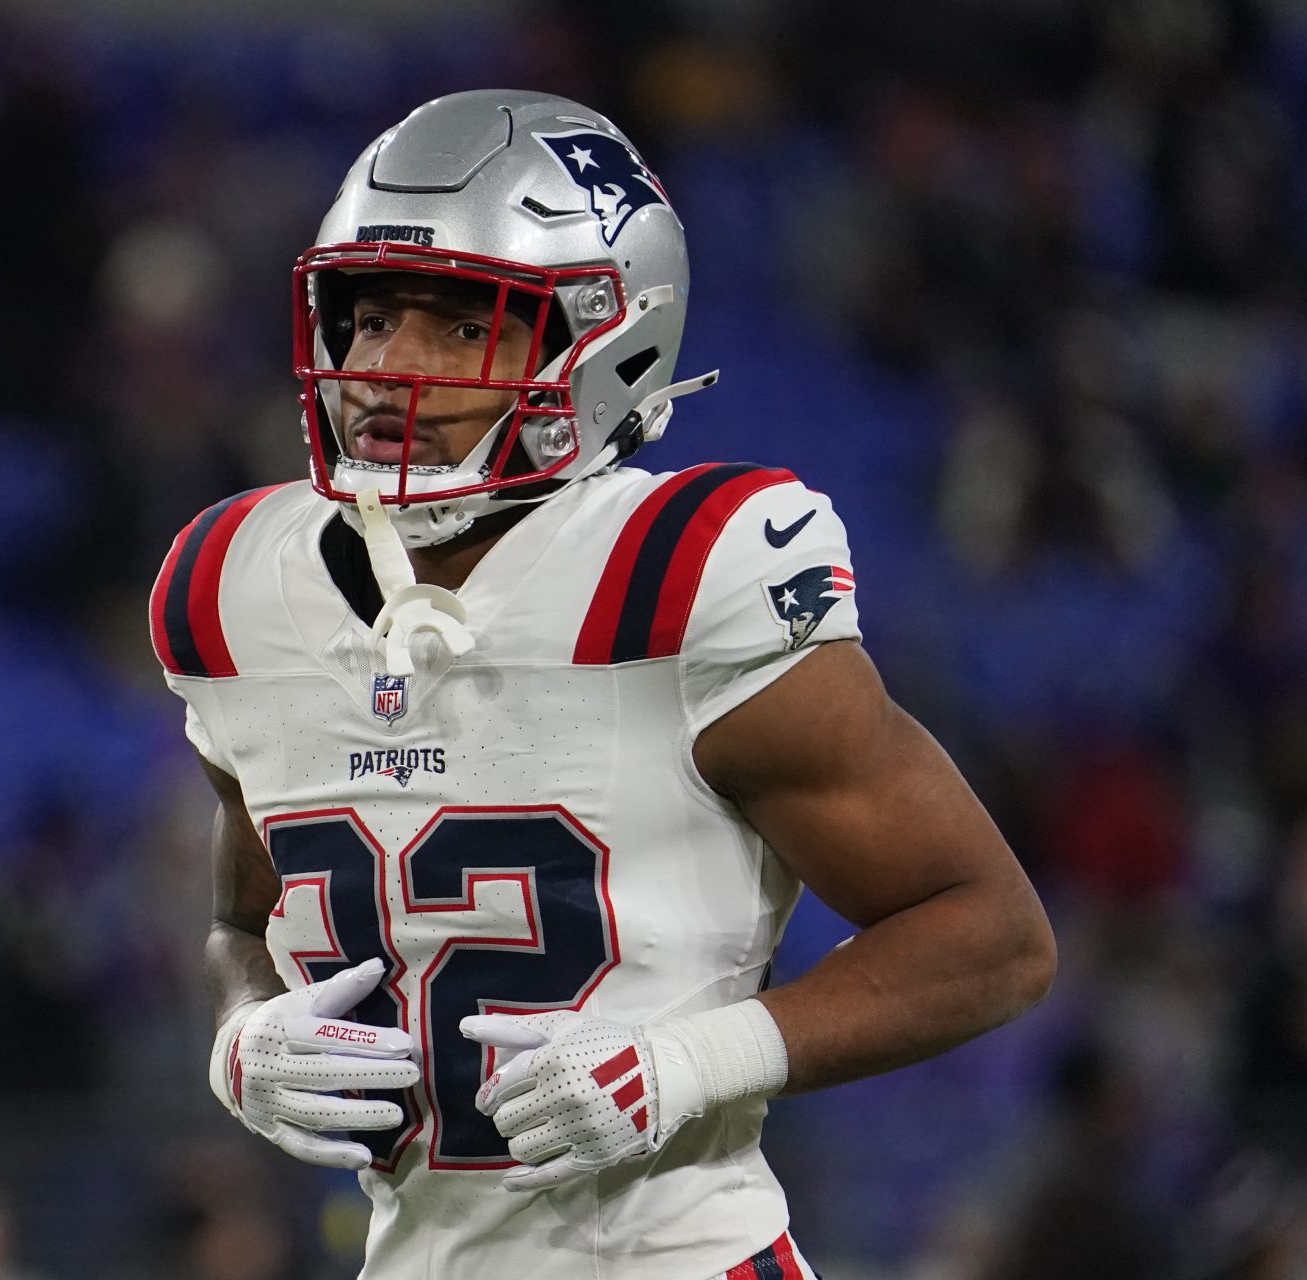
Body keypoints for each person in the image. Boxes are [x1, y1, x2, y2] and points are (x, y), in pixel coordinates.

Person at [149, 89, 1057, 1279]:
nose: (384, 369)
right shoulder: (233, 589)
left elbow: (990, 934)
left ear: (604, 339)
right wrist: (241, 1029)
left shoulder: (682, 575)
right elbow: (240, 916)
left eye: (460, 327)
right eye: (369, 318)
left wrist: (687, 1064)